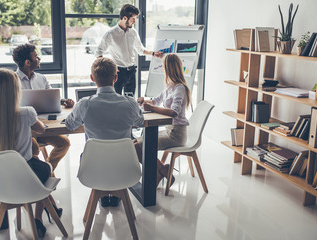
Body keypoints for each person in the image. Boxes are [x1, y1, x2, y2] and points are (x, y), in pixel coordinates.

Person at [65, 57, 171, 207]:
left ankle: (103, 189)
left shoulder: (84, 104)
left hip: (93, 167)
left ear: (92, 78)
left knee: (94, 154)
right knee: (126, 147)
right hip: (125, 166)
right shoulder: (130, 103)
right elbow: (140, 123)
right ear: (116, 77)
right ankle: (116, 190)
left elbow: (69, 125)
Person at [0, 68, 62, 238]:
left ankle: (8, 224)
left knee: (34, 157)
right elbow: (41, 130)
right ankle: (38, 217)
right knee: (45, 167)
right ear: (15, 89)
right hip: (26, 179)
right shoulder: (27, 113)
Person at [13, 43, 72, 171]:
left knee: (64, 143)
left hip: (43, 126)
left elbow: (51, 96)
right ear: (28, 62)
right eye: (36, 56)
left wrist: (63, 101)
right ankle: (37, 175)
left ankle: (48, 169)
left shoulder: (41, 78)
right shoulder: (13, 80)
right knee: (33, 148)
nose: (39, 59)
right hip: (26, 129)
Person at [136, 53, 192, 186]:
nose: (162, 69)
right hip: (169, 131)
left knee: (138, 147)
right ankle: (163, 170)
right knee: (133, 144)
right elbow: (155, 101)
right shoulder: (170, 87)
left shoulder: (180, 88)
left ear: (169, 68)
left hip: (176, 134)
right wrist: (145, 101)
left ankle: (163, 170)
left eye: (163, 66)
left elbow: (173, 112)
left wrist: (152, 108)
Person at [96, 3, 163, 96]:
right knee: (116, 101)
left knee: (130, 100)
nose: (134, 22)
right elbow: (99, 51)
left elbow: (140, 50)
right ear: (124, 18)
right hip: (118, 73)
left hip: (131, 71)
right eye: (133, 19)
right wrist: (108, 68)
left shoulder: (133, 32)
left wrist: (153, 53)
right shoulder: (111, 34)